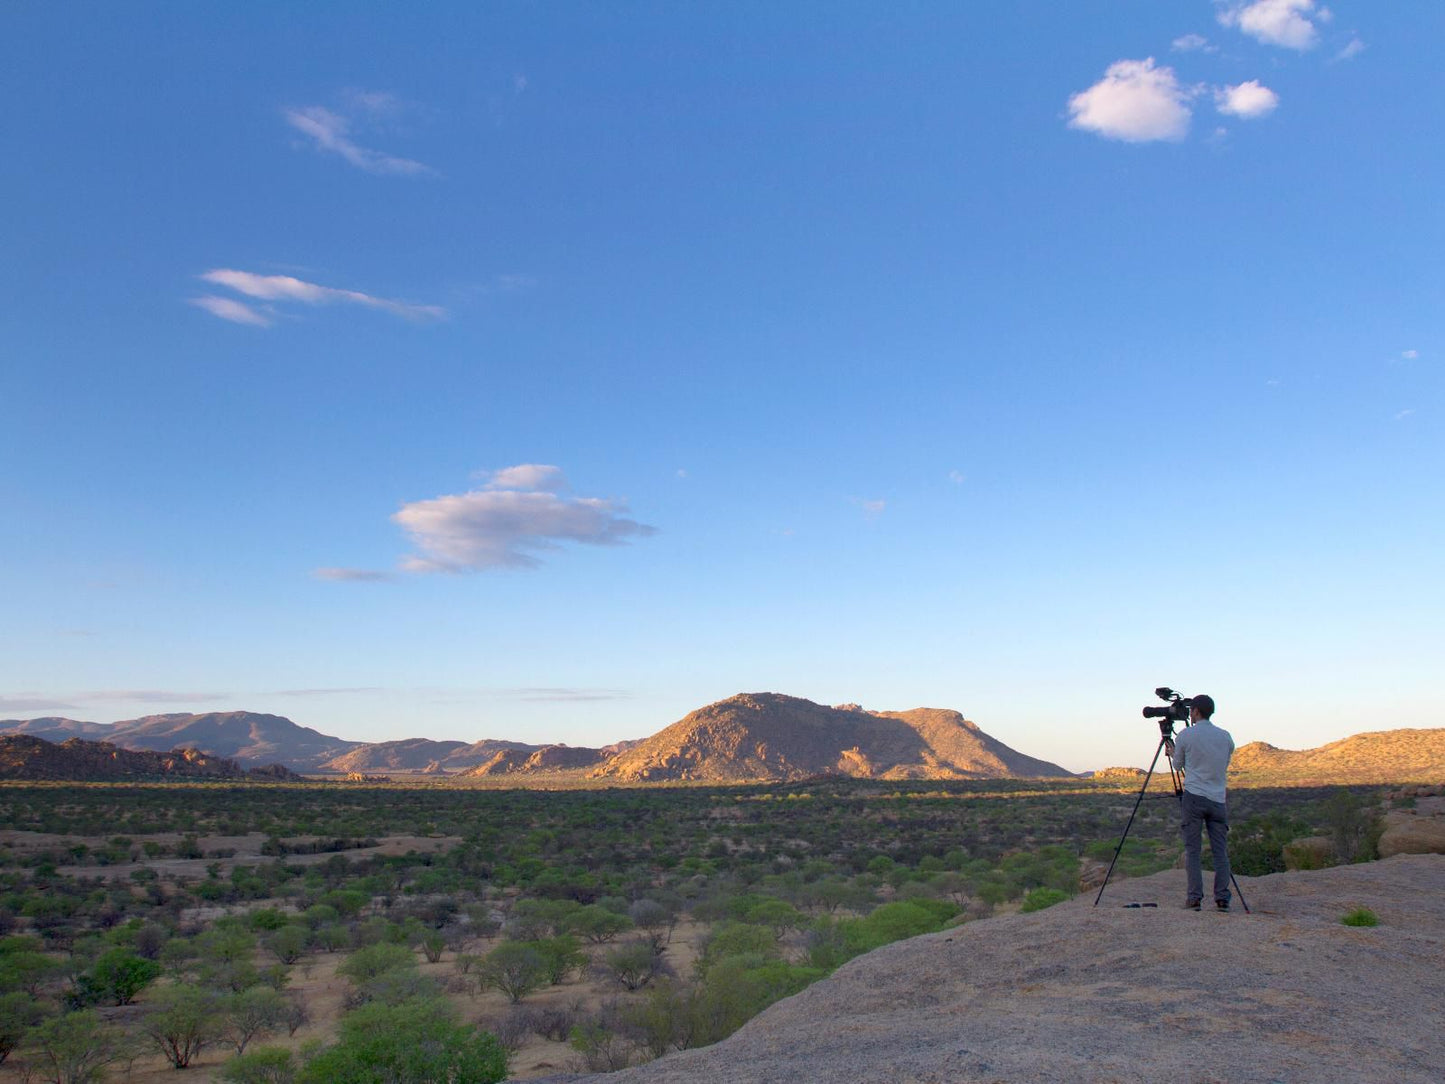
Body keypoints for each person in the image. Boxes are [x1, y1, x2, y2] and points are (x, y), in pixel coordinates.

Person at [1163, 694, 1234, 911]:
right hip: (1218, 799)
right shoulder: (1225, 737)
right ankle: (1222, 899)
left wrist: (1173, 751)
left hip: (1194, 797)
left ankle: (1194, 898)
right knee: (1220, 851)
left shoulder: (1186, 735)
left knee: (1193, 850)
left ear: (1194, 712)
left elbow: (1177, 765)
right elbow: (1224, 761)